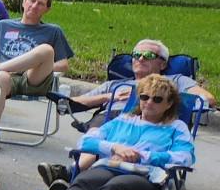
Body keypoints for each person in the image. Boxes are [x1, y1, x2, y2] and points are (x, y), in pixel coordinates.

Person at [28, 73, 196, 190]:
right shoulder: (123, 120)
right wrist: (115, 147)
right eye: (144, 97)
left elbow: (185, 157)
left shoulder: (176, 127)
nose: (149, 102)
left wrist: (142, 156)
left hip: (149, 177)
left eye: (157, 99)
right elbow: (86, 142)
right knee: (87, 180)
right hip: (113, 165)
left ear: (169, 104)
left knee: (114, 187)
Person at [68, 39, 213, 130]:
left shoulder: (176, 80)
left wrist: (162, 99)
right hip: (111, 117)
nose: (141, 58)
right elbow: (71, 103)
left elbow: (207, 98)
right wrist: (110, 96)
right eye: (136, 55)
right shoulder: (115, 85)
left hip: (155, 121)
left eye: (148, 55)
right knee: (97, 129)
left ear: (163, 64)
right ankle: (74, 171)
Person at [0, 0, 73, 98]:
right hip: (6, 76)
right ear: (24, 3)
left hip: (34, 79)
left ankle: (1, 68)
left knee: (46, 50)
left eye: (40, 4)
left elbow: (63, 65)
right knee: (0, 78)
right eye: (32, 1)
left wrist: (30, 67)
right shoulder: (3, 25)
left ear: (47, 9)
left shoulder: (53, 31)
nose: (34, 6)